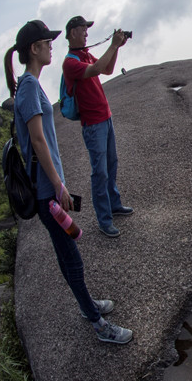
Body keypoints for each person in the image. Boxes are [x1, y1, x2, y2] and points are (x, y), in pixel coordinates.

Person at [4, 20, 133, 344]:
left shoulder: (27, 84)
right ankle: (97, 323)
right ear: (35, 48)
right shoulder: (31, 87)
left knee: (67, 253)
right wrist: (58, 186)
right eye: (47, 42)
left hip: (46, 188)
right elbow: (37, 140)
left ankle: (87, 304)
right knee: (71, 256)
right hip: (47, 191)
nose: (51, 46)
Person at [62, 16, 133, 238]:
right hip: (93, 125)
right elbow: (96, 69)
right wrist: (112, 44)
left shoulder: (84, 54)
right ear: (72, 32)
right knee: (99, 173)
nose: (86, 33)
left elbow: (108, 69)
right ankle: (104, 220)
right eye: (83, 29)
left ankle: (114, 205)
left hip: (105, 118)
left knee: (111, 165)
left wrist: (117, 47)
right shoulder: (70, 62)